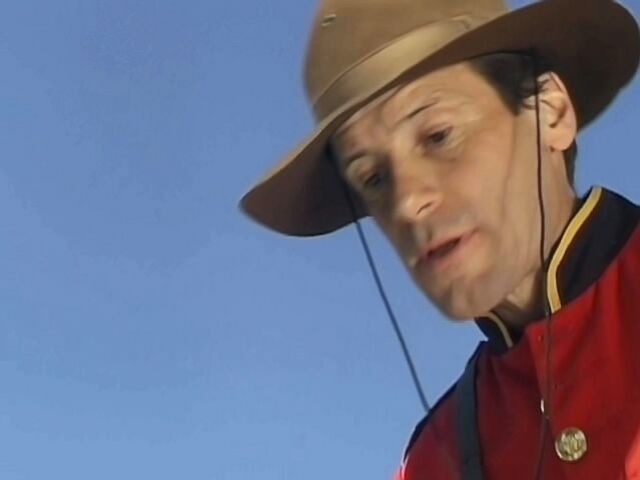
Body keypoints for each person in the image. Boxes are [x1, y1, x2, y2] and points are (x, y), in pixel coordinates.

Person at [240, 0, 640, 478]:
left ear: (550, 112)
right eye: (372, 179)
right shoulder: (431, 461)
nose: (407, 203)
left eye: (437, 136)